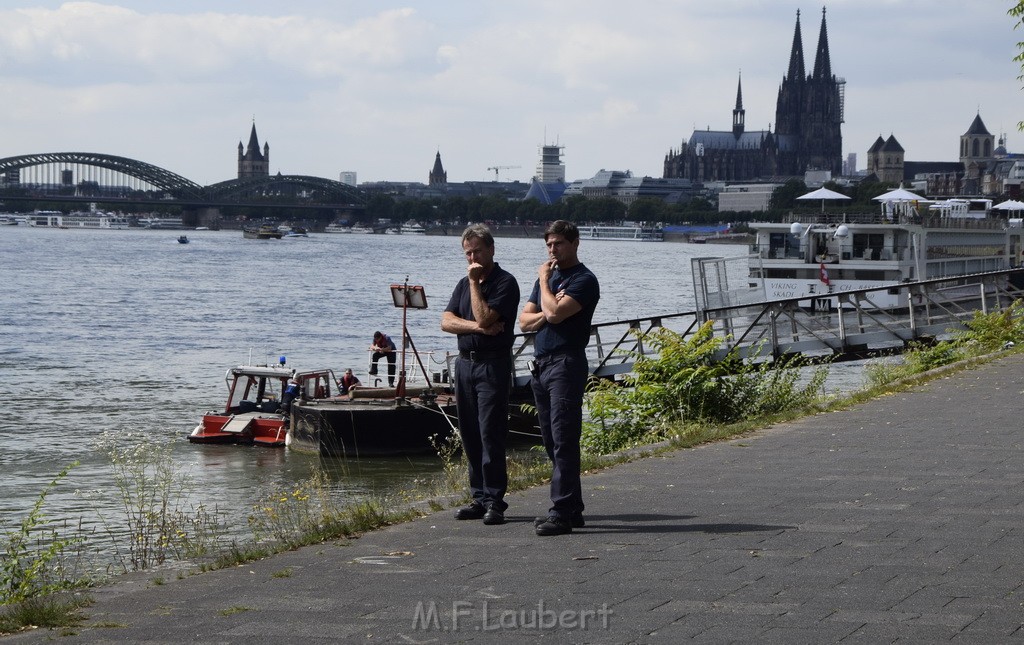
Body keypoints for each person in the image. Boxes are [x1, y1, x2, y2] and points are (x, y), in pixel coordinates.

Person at [518, 220, 599, 536]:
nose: (552, 250)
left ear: (575, 243)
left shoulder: (584, 280)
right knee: (552, 441)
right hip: (541, 365)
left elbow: (552, 315)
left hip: (566, 363)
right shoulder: (550, 280)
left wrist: (544, 284)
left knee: (564, 438)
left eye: (559, 244)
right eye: (549, 245)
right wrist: (549, 301)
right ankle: (573, 509)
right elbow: (525, 321)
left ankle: (561, 513)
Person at [441, 224, 520, 526]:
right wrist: (476, 328)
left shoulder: (505, 283)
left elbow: (486, 315)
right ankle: (478, 496)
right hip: (464, 364)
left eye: (477, 251)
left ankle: (495, 500)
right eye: (467, 253)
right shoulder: (462, 283)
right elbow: (446, 321)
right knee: (470, 433)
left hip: (492, 364)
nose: (472, 257)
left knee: (490, 432)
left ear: (491, 250)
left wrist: (475, 284)